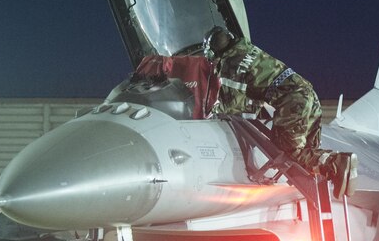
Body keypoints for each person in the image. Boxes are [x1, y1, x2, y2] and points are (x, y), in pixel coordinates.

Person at [134, 26, 357, 196]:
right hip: (307, 94)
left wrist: (211, 114)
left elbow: (232, 105)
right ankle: (338, 174)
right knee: (307, 152)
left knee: (290, 151)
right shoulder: (247, 50)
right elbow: (257, 89)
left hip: (292, 101)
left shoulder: (230, 66)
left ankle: (336, 163)